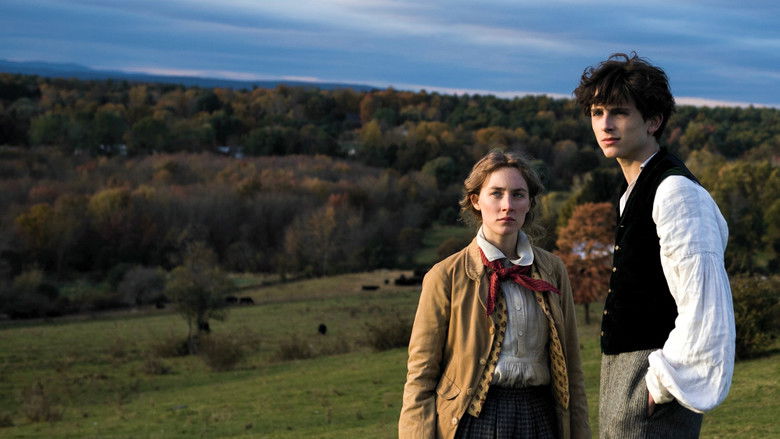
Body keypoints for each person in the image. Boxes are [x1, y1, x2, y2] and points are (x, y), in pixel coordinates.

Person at [573, 52, 735, 438]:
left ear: (653, 120)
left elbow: (705, 307)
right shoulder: (635, 190)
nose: (605, 124)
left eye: (619, 113)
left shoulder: (676, 192)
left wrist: (657, 388)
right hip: (626, 376)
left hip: (654, 379)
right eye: (597, 113)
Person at [399, 151, 590, 439]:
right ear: (476, 201)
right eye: (496, 194)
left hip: (541, 418)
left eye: (518, 195)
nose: (507, 206)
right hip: (475, 419)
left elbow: (572, 370)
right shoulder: (445, 276)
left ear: (529, 204)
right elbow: (421, 375)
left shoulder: (553, 270)